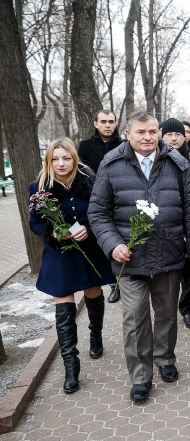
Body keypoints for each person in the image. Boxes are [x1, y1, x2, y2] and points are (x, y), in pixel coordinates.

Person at [88, 111, 190, 401]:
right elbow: (98, 212)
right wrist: (112, 244)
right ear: (127, 134)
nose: (147, 137)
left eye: (153, 132)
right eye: (141, 132)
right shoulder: (111, 164)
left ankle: (165, 359)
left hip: (168, 253)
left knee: (166, 314)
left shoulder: (178, 163)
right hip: (129, 259)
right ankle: (141, 376)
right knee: (135, 319)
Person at [29, 138, 115, 394]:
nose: (61, 163)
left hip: (89, 250)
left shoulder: (91, 180)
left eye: (66, 158)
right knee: (64, 307)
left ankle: (96, 336)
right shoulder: (39, 187)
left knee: (93, 293)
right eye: (55, 159)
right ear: (48, 161)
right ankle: (71, 366)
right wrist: (52, 232)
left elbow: (104, 210)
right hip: (60, 254)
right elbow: (34, 223)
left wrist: (89, 227)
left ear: (74, 159)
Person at [77, 109, 124, 303]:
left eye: (111, 121)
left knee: (119, 239)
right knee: (101, 240)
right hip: (95, 198)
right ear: (95, 124)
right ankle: (112, 283)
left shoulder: (123, 145)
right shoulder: (85, 146)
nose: (107, 125)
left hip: (121, 198)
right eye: (103, 121)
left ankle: (120, 281)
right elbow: (82, 172)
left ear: (115, 124)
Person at [161, 118, 190, 329]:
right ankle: (167, 311)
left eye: (178, 134)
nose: (174, 138)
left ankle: (187, 309)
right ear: (162, 136)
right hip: (166, 221)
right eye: (169, 134)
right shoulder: (156, 158)